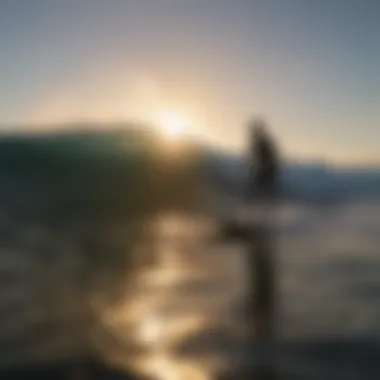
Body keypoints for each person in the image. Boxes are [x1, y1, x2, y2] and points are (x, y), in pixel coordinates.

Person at [247, 118, 280, 202]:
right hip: (265, 170)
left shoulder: (262, 142)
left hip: (266, 170)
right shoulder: (260, 141)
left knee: (263, 191)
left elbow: (267, 158)